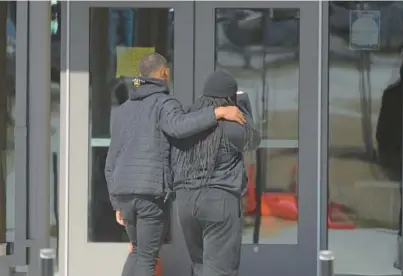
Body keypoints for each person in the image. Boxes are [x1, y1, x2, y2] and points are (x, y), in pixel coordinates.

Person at [104, 53, 246, 276]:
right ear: (164, 73)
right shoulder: (165, 103)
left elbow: (111, 159)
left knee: (137, 251)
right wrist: (218, 111)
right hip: (150, 193)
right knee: (147, 258)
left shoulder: (123, 110)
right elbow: (180, 127)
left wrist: (116, 201)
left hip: (124, 192)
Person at [171, 70, 262, 276]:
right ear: (229, 99)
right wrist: (243, 105)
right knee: (221, 270)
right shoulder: (231, 125)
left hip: (186, 202)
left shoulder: (187, 120)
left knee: (200, 267)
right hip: (218, 201)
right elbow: (254, 139)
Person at [376, 61, 403, 270]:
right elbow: (383, 133)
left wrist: (387, 161)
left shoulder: (392, 94)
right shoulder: (393, 95)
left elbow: (382, 133)